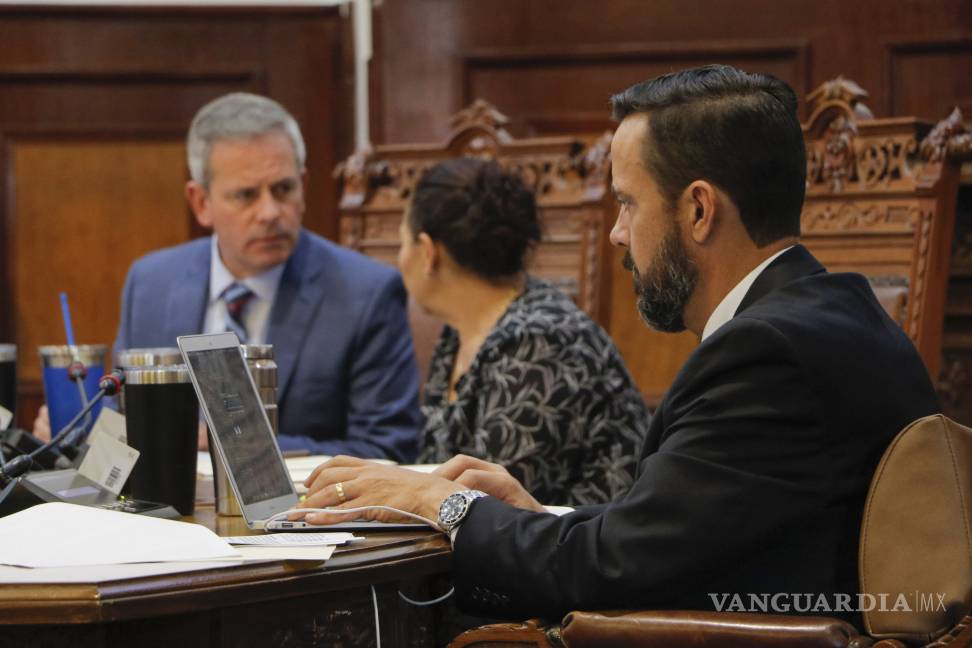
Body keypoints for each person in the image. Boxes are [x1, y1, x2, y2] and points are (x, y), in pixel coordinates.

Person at [297, 65, 941, 620]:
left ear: (698, 210)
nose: (616, 233)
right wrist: (535, 520)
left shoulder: (768, 355)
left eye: (628, 203)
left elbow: (611, 572)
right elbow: (665, 540)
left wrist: (445, 504)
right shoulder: (835, 311)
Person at [48, 93, 421, 460]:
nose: (270, 212)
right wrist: (76, 432)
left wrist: (235, 443)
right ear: (201, 203)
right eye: (245, 195)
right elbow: (122, 419)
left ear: (304, 186)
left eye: (283, 189)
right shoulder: (150, 285)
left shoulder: (365, 294)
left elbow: (389, 449)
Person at [401, 158, 650, 506]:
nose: (401, 259)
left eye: (403, 243)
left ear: (428, 252)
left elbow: (489, 505)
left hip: (587, 538)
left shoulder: (540, 340)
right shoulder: (458, 332)